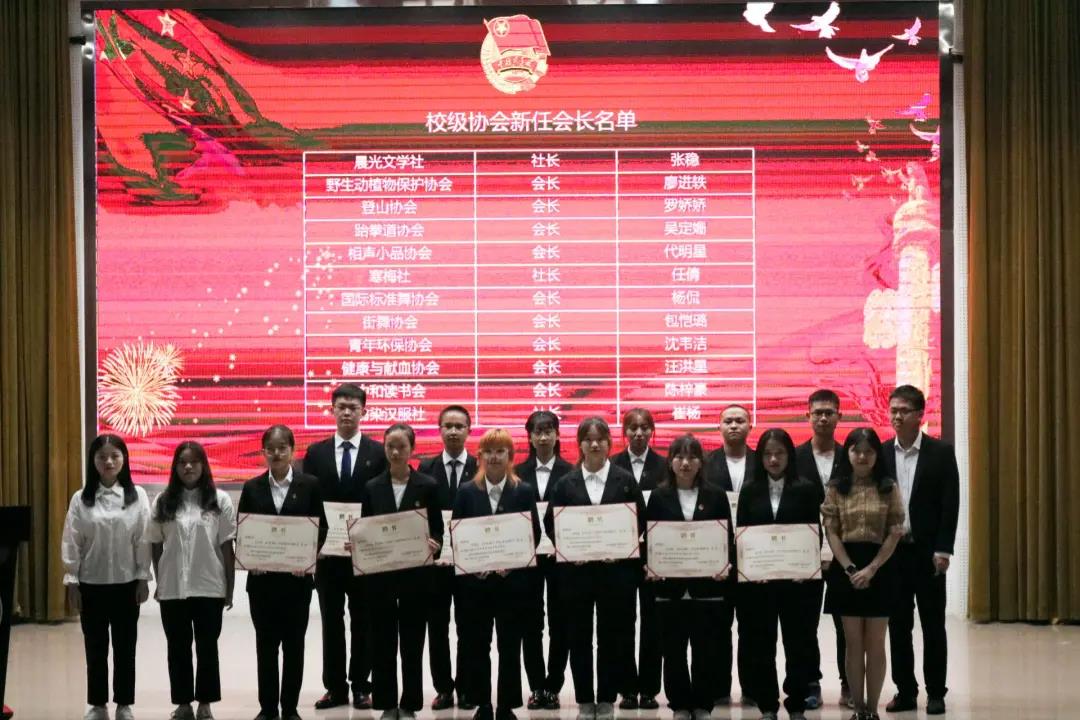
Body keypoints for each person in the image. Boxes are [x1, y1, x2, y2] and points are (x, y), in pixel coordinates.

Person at [543, 417, 646, 720]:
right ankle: (585, 700)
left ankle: (607, 698)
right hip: (576, 575)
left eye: (600, 438)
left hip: (616, 574)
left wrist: (622, 546)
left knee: (612, 637)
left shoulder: (625, 480)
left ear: (609, 443)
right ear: (580, 445)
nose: (595, 444)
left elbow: (640, 519)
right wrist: (568, 547)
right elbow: (551, 523)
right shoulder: (565, 484)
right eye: (588, 439)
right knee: (579, 637)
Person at [302, 383, 385, 711]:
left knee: (364, 620)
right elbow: (309, 502)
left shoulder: (378, 452)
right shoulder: (316, 453)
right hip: (327, 555)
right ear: (333, 410)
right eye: (342, 407)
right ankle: (335, 686)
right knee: (331, 622)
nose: (347, 412)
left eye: (353, 407)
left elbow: (382, 503)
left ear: (364, 411)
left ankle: (362, 685)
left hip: (365, 553)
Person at [452, 429, 542, 720]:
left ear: (510, 456)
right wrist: (474, 564)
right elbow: (457, 534)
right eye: (488, 452)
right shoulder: (466, 491)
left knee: (509, 646)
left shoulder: (523, 491)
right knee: (478, 646)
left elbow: (534, 534)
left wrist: (512, 563)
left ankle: (506, 705)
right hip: (475, 586)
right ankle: (483, 704)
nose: (494, 457)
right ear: (479, 456)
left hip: (512, 585)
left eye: (500, 451)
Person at [62, 434, 152, 720]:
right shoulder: (81, 498)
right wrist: (72, 580)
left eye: (115, 456)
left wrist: (143, 577)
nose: (109, 461)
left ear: (124, 459)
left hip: (127, 584)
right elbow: (72, 541)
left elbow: (143, 539)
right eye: (102, 457)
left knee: (125, 648)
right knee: (95, 648)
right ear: (93, 461)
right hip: (92, 584)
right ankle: (98, 705)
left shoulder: (137, 496)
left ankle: (124, 704)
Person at [238, 425, 325, 720]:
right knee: (266, 647)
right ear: (263, 452)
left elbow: (321, 529)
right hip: (262, 584)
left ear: (293, 451)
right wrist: (251, 558)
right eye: (270, 449)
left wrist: (307, 558)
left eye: (282, 448)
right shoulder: (252, 487)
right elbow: (243, 531)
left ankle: (289, 708)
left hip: (296, 583)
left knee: (294, 647)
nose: (276, 453)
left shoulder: (310, 485)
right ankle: (267, 708)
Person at [881, 386, 959, 716]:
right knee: (898, 626)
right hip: (893, 554)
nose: (897, 416)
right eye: (893, 410)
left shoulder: (940, 453)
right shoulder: (881, 453)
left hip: (928, 554)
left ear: (920, 415)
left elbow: (950, 504)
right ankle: (905, 691)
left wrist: (944, 549)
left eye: (904, 410)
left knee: (932, 626)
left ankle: (936, 692)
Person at [644, 434, 733, 720]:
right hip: (669, 587)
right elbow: (650, 540)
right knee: (673, 650)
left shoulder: (716, 495)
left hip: (707, 587)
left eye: (692, 457)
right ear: (670, 462)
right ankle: (680, 704)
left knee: (706, 650)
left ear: (701, 462)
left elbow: (726, 538)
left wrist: (724, 564)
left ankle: (703, 704)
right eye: (679, 457)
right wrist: (650, 565)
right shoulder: (658, 496)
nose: (685, 463)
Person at [736, 428, 821, 720]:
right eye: (767, 454)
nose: (773, 459)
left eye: (780, 453)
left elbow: (814, 534)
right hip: (759, 585)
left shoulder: (806, 488)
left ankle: (796, 704)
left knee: (799, 644)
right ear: (760, 457)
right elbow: (742, 535)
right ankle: (768, 705)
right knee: (761, 645)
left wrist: (805, 567)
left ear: (790, 456)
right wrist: (749, 568)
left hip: (797, 584)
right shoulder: (750, 490)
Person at [149, 442, 237, 720]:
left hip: (209, 585)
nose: (188, 467)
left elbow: (227, 546)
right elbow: (155, 543)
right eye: (182, 462)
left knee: (207, 647)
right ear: (175, 467)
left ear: (203, 465)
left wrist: (230, 587)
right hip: (173, 587)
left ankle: (205, 703)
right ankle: (183, 703)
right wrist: (160, 580)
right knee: (177, 648)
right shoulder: (163, 501)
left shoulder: (219, 500)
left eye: (194, 462)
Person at [822, 428, 906, 720]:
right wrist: (850, 568)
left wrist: (871, 569)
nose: (862, 456)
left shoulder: (888, 487)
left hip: (881, 567)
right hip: (846, 567)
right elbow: (831, 531)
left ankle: (872, 708)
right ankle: (858, 708)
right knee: (853, 643)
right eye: (856, 450)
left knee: (876, 643)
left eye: (868, 451)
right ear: (847, 453)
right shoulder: (836, 487)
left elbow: (895, 532)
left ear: (876, 455)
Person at [363, 423, 444, 720]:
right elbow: (366, 528)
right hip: (381, 580)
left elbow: (437, 529)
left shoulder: (428, 485)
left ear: (412, 449)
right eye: (390, 447)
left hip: (416, 579)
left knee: (413, 643)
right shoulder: (372, 487)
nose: (395, 452)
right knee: (382, 644)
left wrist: (435, 544)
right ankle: (387, 703)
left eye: (401, 447)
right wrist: (358, 545)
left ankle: (409, 704)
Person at [417, 405, 477, 710]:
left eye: (459, 426)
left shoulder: (480, 467)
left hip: (470, 563)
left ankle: (467, 689)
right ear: (439, 430)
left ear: (469, 430)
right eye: (448, 426)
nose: (453, 431)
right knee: (437, 628)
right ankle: (443, 688)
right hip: (435, 564)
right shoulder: (425, 468)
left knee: (469, 628)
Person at [794, 389, 850, 709]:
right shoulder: (795, 458)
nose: (823, 418)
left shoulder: (851, 457)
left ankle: (849, 683)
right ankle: (810, 682)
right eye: (818, 413)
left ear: (839, 416)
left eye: (829, 412)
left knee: (846, 623)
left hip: (844, 555)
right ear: (808, 416)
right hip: (804, 553)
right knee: (804, 623)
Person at [514, 410, 573, 710]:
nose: (543, 436)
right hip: (528, 560)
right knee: (531, 623)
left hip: (562, 559)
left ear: (558, 435)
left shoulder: (572, 472)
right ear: (529, 437)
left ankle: (553, 685)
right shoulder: (516, 473)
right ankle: (537, 686)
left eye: (549, 430)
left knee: (561, 622)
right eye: (537, 431)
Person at [611, 408, 664, 710]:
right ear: (624, 431)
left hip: (655, 554)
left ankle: (649, 688)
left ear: (652, 431)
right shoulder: (612, 465)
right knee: (622, 620)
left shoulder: (664, 465)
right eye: (633, 427)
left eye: (645, 427)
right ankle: (627, 689)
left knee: (652, 622)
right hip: (622, 556)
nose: (639, 433)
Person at [703, 404, 755, 705]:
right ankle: (717, 687)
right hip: (715, 558)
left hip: (754, 559)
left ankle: (752, 687)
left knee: (753, 628)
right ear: (719, 426)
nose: (734, 425)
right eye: (728, 421)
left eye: (740, 420)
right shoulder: (705, 463)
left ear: (750, 425)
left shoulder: (763, 462)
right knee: (716, 628)